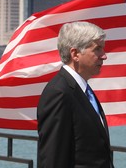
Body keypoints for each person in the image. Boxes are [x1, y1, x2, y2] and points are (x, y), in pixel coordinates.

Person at [37, 21, 114, 168]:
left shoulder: (83, 89)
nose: (104, 56)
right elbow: (53, 157)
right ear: (75, 54)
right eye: (97, 49)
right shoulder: (59, 93)